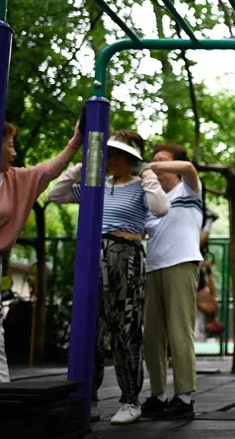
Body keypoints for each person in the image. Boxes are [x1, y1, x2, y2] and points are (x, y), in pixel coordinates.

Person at [0, 120, 82, 382]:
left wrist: (75, 141)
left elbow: (48, 170)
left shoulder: (16, 180)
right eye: (10, 145)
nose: (15, 152)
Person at [49, 130, 170, 425]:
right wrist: (81, 166)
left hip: (126, 256)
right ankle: (87, 399)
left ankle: (130, 400)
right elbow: (56, 194)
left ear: (133, 159)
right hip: (94, 257)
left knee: (125, 329)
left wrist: (147, 172)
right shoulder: (96, 184)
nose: (114, 159)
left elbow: (161, 207)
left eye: (121, 154)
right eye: (110, 153)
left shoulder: (142, 185)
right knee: (90, 330)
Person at [140, 144, 204, 420]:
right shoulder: (151, 199)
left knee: (180, 332)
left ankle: (184, 396)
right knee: (152, 336)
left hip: (181, 264)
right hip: (153, 268)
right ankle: (158, 395)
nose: (157, 165)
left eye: (163, 161)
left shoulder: (188, 190)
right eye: (154, 160)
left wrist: (147, 167)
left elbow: (189, 169)